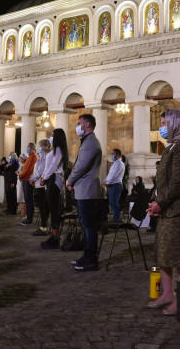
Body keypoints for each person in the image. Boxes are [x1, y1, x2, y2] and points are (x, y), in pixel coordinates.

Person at [146, 109, 180, 316]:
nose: (161, 127)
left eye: (164, 123)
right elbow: (165, 181)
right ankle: (168, 293)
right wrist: (156, 203)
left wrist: (160, 203)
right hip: (168, 210)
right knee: (164, 255)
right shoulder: (172, 148)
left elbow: (178, 183)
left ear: (175, 124)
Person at [66, 114, 103, 271]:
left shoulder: (90, 143)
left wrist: (69, 180)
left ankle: (91, 259)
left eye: (79, 123)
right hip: (84, 190)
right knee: (86, 225)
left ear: (87, 124)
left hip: (87, 191)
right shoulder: (88, 142)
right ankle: (87, 256)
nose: (78, 126)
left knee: (89, 226)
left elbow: (80, 166)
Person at [40, 128, 67, 249]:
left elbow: (53, 166)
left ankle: (55, 237)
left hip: (54, 179)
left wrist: (44, 177)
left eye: (53, 135)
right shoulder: (56, 150)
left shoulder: (59, 150)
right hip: (51, 179)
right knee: (50, 207)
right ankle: (53, 235)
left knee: (54, 209)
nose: (51, 136)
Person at [30, 140, 50, 235]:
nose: (39, 147)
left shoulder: (45, 156)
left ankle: (44, 227)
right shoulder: (41, 156)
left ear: (45, 146)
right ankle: (43, 226)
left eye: (40, 146)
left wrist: (33, 178)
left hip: (41, 185)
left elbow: (41, 170)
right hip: (38, 184)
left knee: (43, 207)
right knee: (42, 206)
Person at [18, 143, 37, 226]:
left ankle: (29, 219)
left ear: (32, 148)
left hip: (28, 180)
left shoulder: (33, 157)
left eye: (28, 147)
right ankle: (28, 217)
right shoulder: (30, 157)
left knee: (29, 200)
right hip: (25, 179)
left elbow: (29, 170)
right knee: (27, 200)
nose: (27, 149)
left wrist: (20, 175)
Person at [105, 148, 125, 222]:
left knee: (115, 202)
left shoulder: (119, 163)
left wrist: (108, 182)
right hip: (112, 185)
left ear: (117, 155)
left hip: (115, 185)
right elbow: (110, 174)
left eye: (113, 154)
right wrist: (106, 180)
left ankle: (116, 219)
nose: (112, 155)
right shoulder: (115, 163)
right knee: (112, 202)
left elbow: (114, 175)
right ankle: (116, 217)